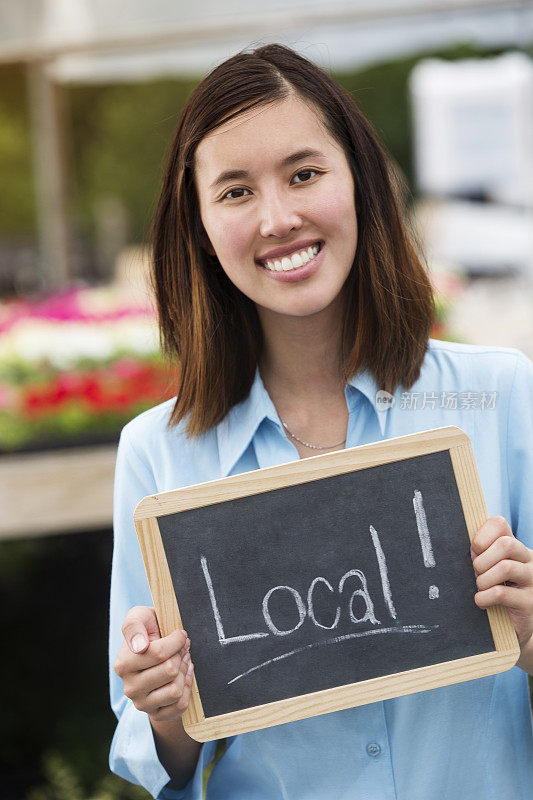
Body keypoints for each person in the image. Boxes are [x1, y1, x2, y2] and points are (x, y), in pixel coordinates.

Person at [109, 43, 533, 799]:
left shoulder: (501, 396)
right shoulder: (156, 453)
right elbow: (160, 756)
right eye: (234, 192)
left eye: (304, 174)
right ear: (198, 223)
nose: (279, 218)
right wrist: (163, 707)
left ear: (360, 183)